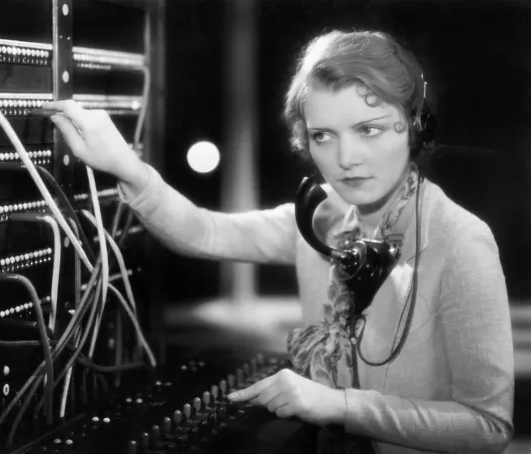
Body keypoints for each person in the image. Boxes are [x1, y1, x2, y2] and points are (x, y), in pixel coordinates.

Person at [43, 29, 514, 454]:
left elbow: (487, 426)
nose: (346, 158)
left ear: (415, 126)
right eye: (323, 136)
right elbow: (203, 231)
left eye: (368, 130)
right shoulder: (321, 216)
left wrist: (340, 406)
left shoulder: (462, 241)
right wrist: (126, 167)